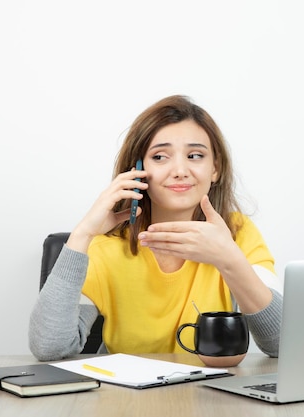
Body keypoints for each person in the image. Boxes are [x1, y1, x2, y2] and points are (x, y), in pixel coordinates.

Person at [29, 95, 282, 361]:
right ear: (138, 170)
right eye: (160, 157)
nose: (180, 170)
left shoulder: (238, 232)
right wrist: (83, 234)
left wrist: (228, 258)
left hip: (211, 397)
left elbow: (279, 344)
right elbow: (50, 347)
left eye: (195, 156)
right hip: (126, 399)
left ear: (215, 168)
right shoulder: (106, 247)